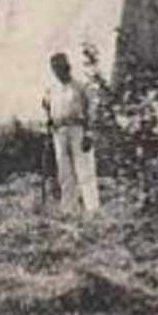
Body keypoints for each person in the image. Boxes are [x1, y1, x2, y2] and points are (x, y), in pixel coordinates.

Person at [41, 52, 99, 217]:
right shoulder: (51, 89)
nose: (58, 71)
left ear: (68, 67)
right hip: (59, 132)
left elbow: (91, 110)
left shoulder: (80, 87)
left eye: (61, 67)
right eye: (55, 68)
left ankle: (92, 209)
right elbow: (45, 106)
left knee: (84, 169)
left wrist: (88, 133)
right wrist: (48, 121)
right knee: (65, 172)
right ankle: (69, 209)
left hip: (77, 130)